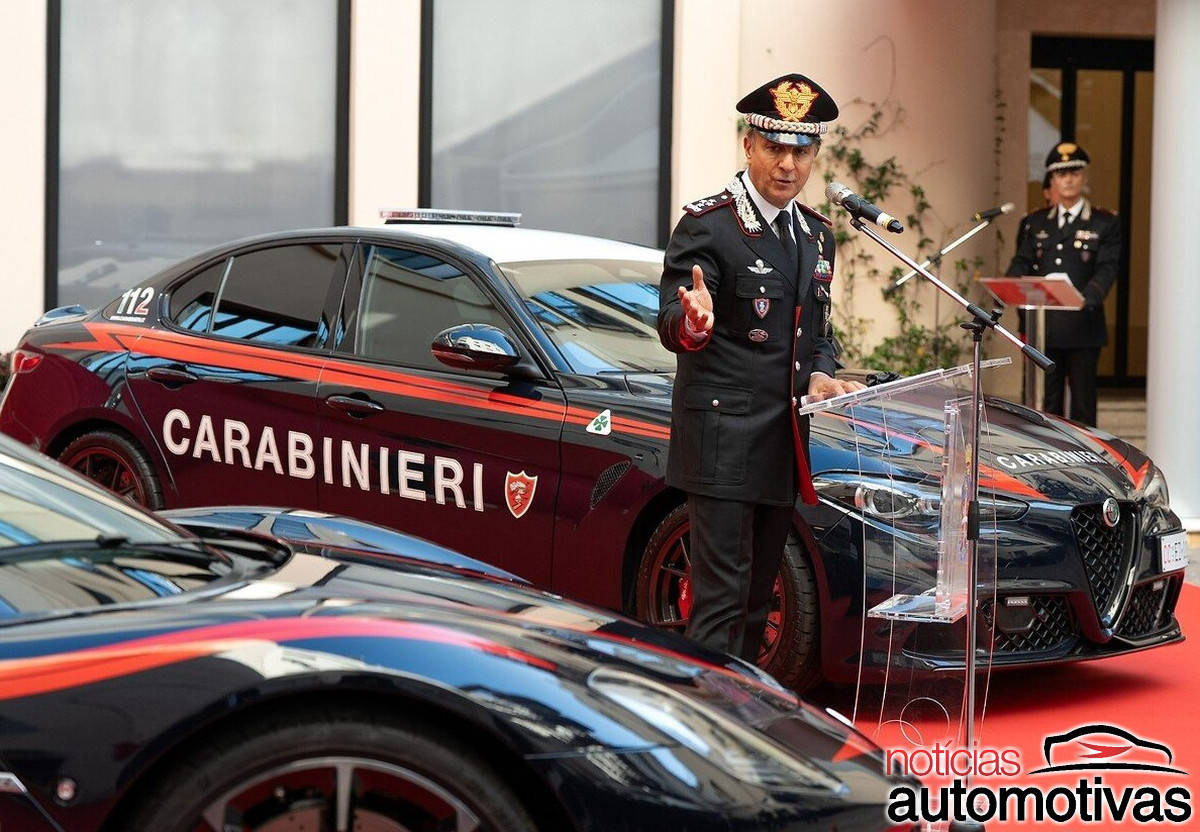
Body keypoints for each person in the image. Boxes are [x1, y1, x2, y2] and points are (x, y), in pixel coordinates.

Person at [656, 73, 864, 662]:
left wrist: (821, 373)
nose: (787, 164)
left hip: (782, 442)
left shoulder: (816, 236)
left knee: (756, 604)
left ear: (816, 155)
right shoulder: (709, 224)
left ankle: (745, 708)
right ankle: (703, 710)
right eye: (774, 147)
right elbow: (672, 320)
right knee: (719, 604)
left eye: (801, 151)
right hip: (723, 440)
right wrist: (693, 322)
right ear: (749, 145)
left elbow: (818, 331)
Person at [1005, 141, 1121, 426]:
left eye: (1074, 172)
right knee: (1046, 406)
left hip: (1083, 324)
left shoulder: (1104, 222)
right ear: (1052, 179)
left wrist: (1087, 297)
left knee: (1083, 405)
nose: (1068, 179)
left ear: (1084, 176)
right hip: (1043, 327)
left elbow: (1108, 267)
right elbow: (1022, 261)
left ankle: (1085, 451)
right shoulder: (1035, 222)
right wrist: (1010, 286)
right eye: (1061, 173)